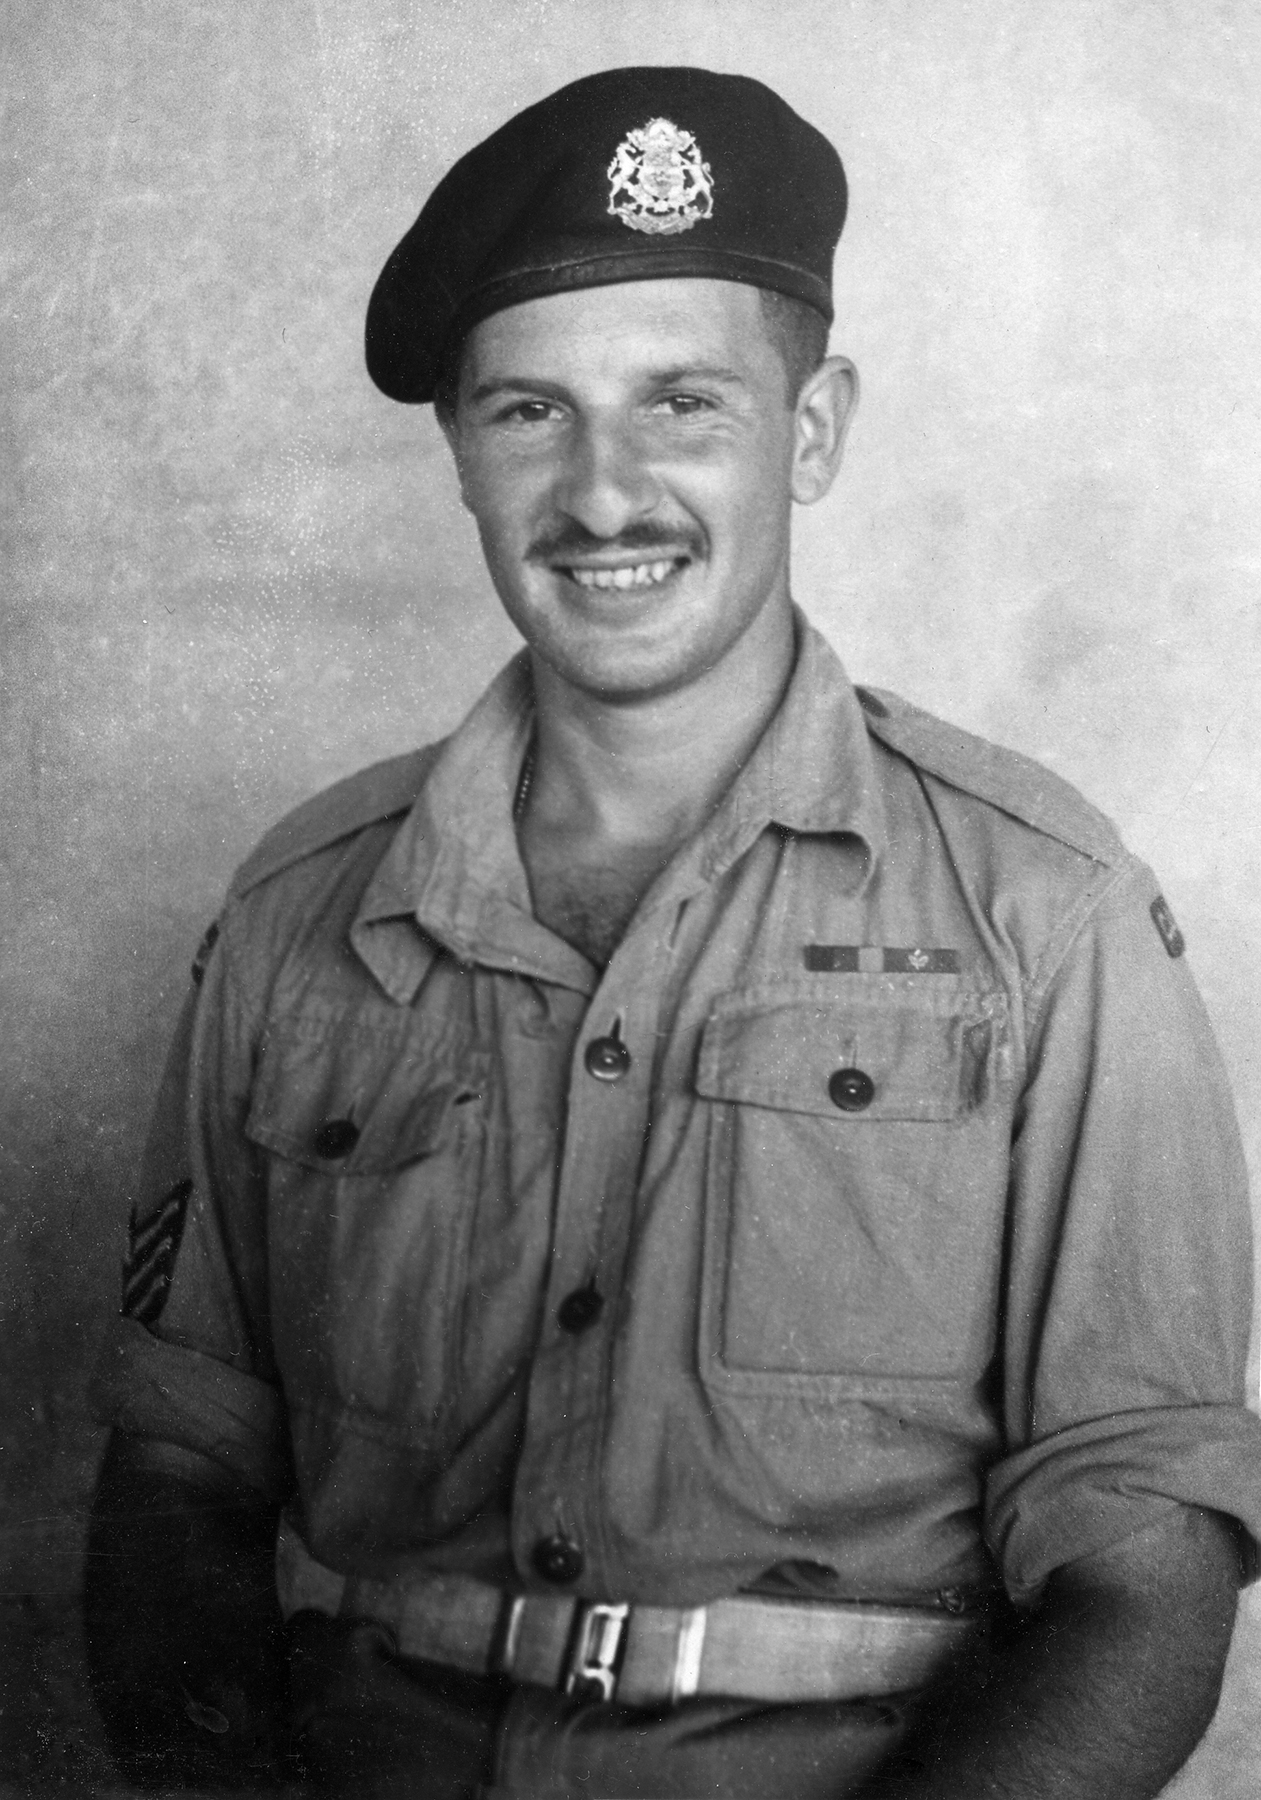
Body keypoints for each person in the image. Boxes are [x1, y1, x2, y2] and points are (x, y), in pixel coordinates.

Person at [85, 65, 1261, 1800]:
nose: (605, 492)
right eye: (528, 414)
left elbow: (1142, 1578)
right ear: (461, 457)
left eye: (683, 402)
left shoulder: (1042, 916)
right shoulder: (299, 914)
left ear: (811, 432)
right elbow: (176, 1493)